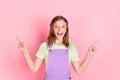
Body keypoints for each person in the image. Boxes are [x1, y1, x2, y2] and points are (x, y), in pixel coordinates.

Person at [17, 15, 99, 80]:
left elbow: (79, 70)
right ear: (52, 29)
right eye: (56, 27)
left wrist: (89, 54)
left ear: (66, 29)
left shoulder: (71, 48)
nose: (60, 30)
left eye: (63, 26)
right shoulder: (45, 46)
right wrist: (24, 51)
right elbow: (33, 69)